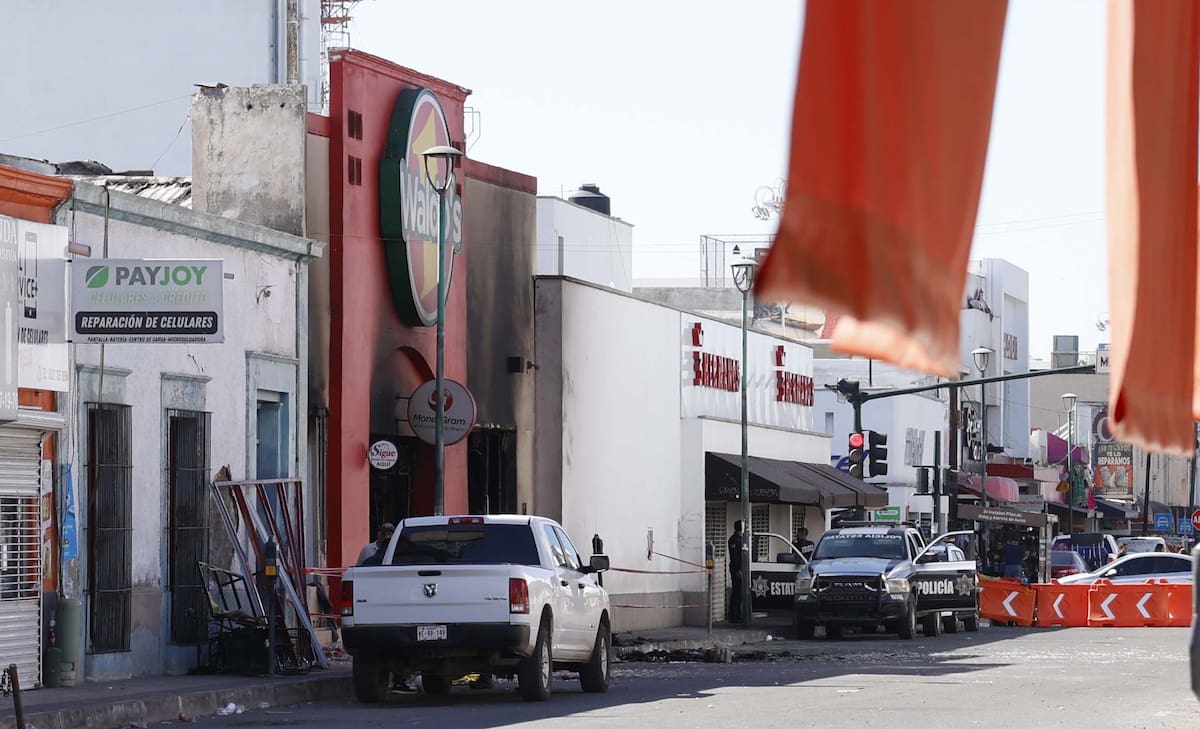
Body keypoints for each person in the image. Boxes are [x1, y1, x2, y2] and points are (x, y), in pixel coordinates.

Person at [727, 521, 745, 623]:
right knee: (736, 592)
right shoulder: (734, 540)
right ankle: (733, 616)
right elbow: (734, 557)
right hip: (736, 569)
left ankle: (738, 615)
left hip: (741, 568)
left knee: (739, 593)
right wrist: (738, 570)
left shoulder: (741, 539)